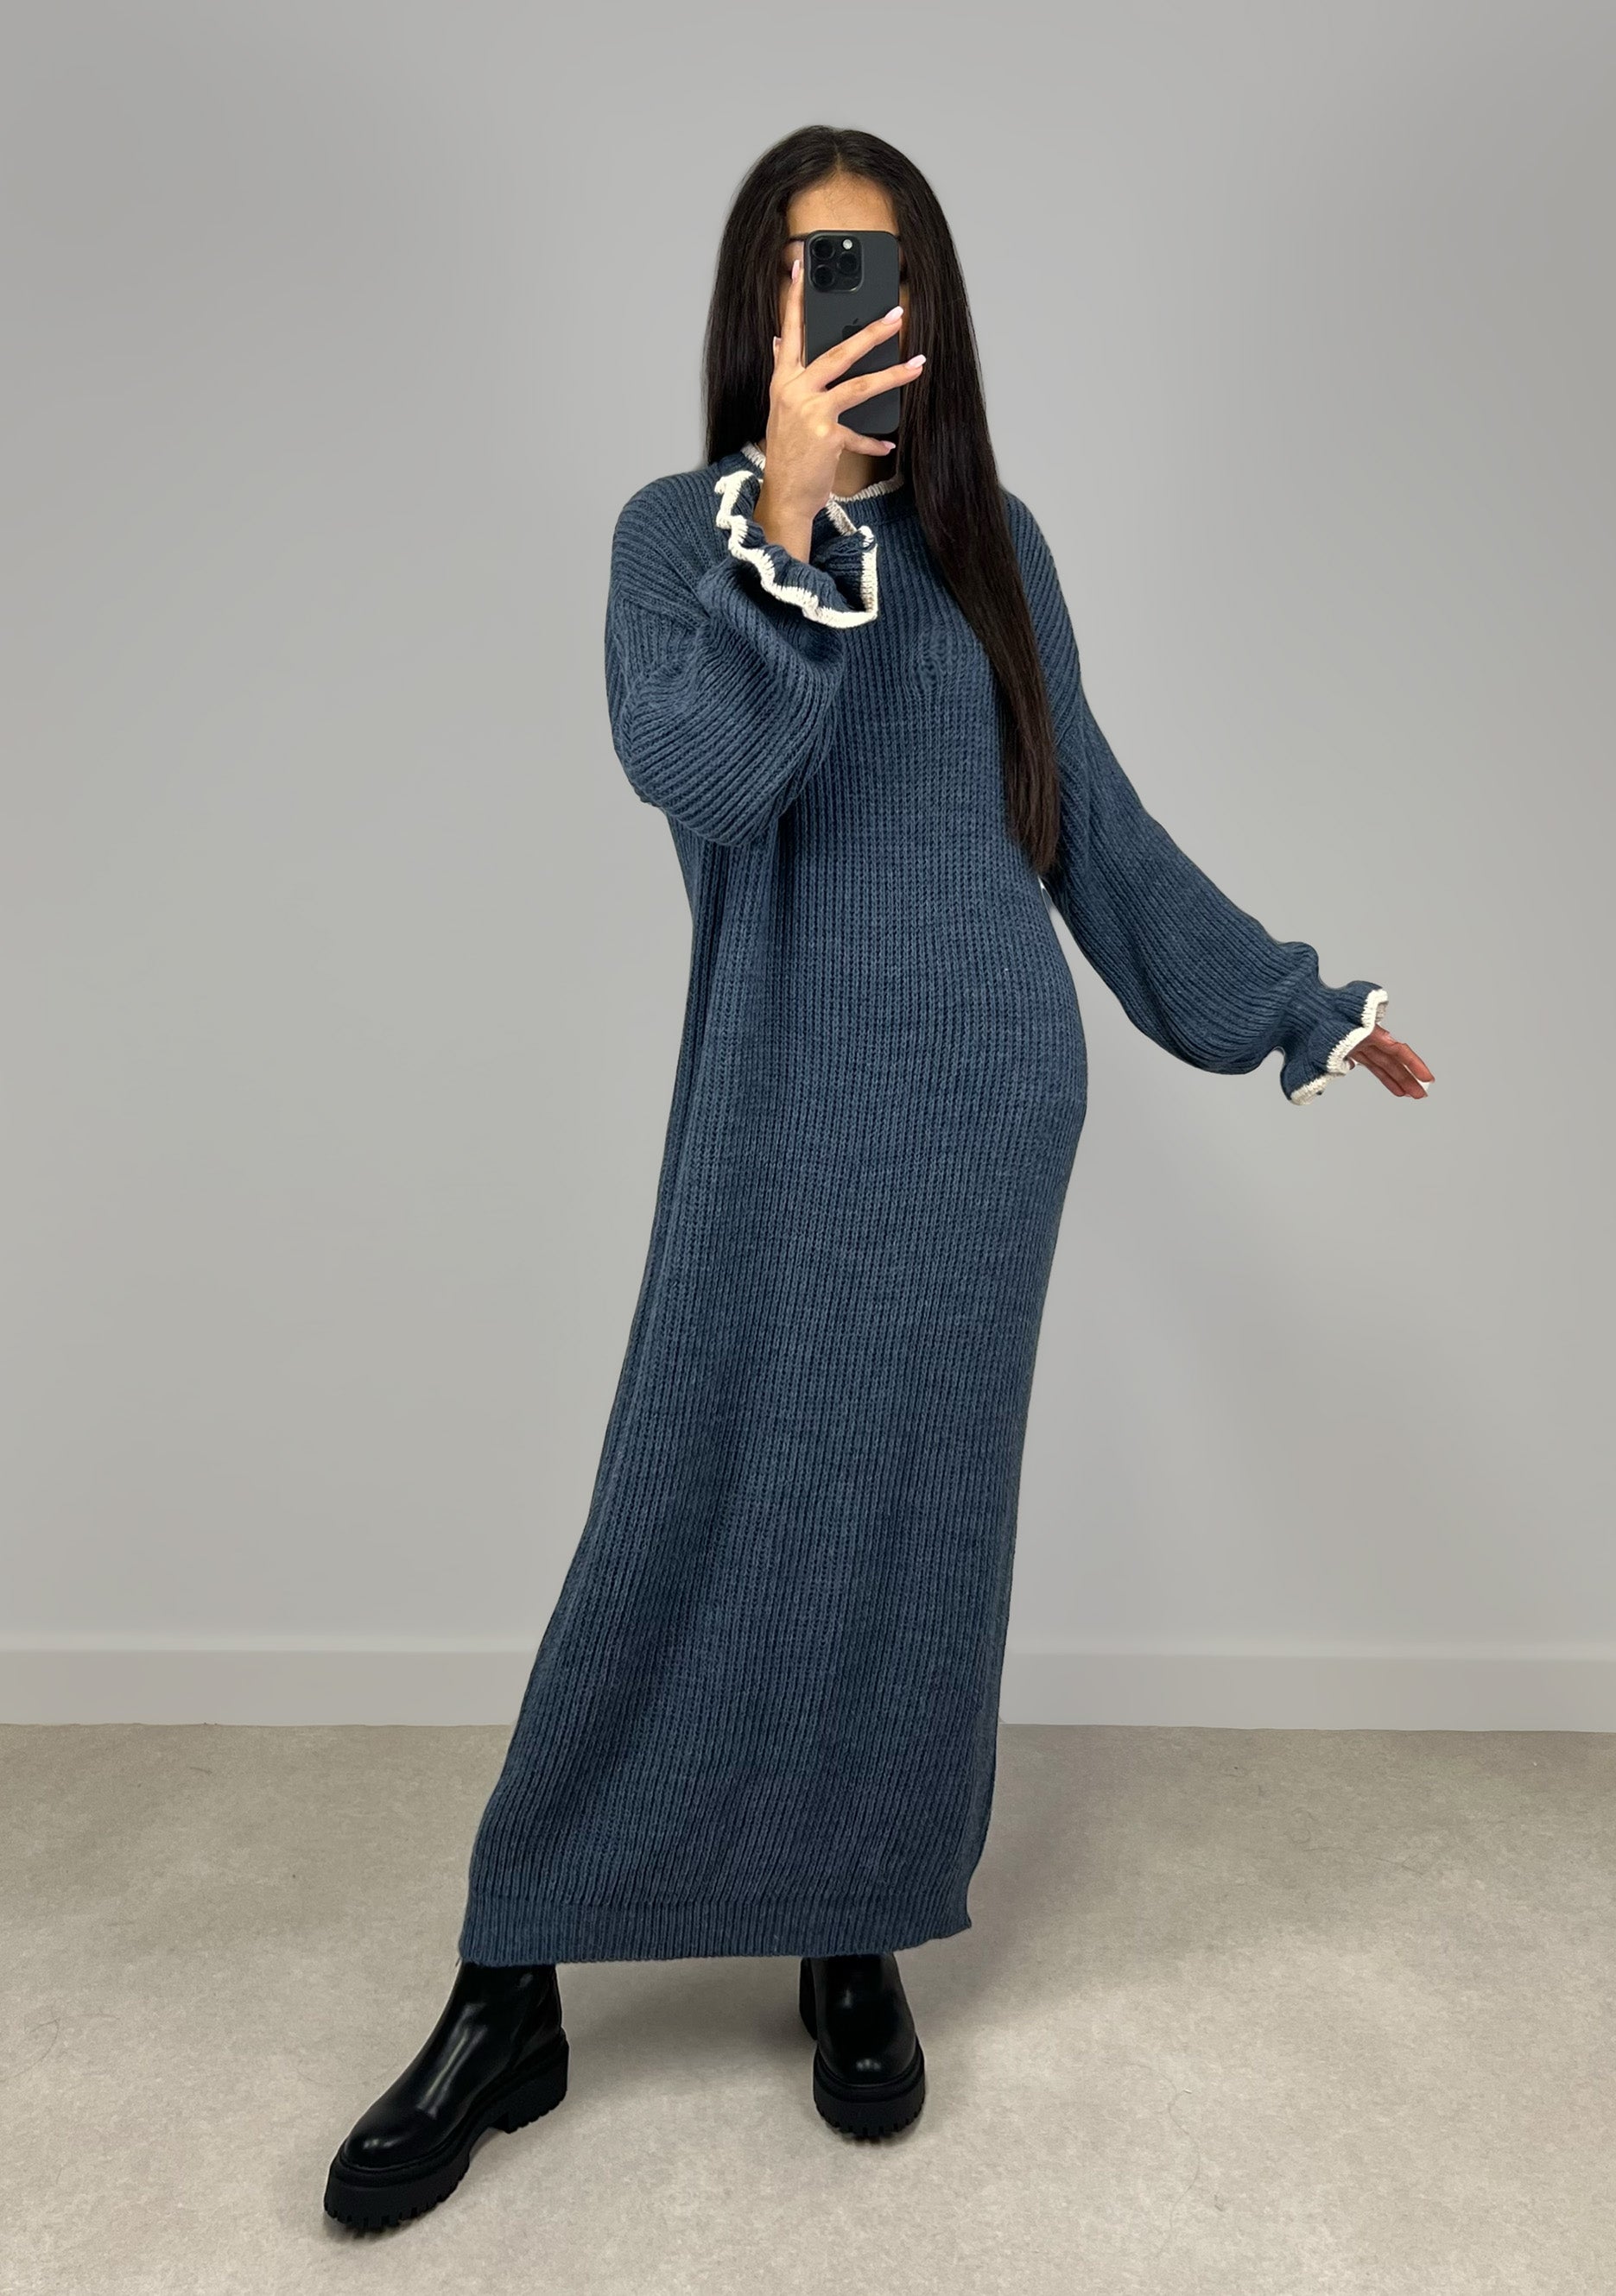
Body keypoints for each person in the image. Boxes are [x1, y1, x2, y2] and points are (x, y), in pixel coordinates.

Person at [324, 125, 1433, 2233]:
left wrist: (1292, 1004)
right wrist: (790, 516)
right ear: (756, 301)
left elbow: (1088, 829)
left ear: (931, 306)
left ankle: (852, 1930)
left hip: (981, 1118)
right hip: (779, 1105)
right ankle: (509, 1978)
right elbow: (710, 774)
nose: (846, 295)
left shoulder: (996, 548)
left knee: (915, 1538)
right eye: (809, 261)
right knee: (681, 1509)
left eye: (883, 262)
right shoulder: (674, 542)